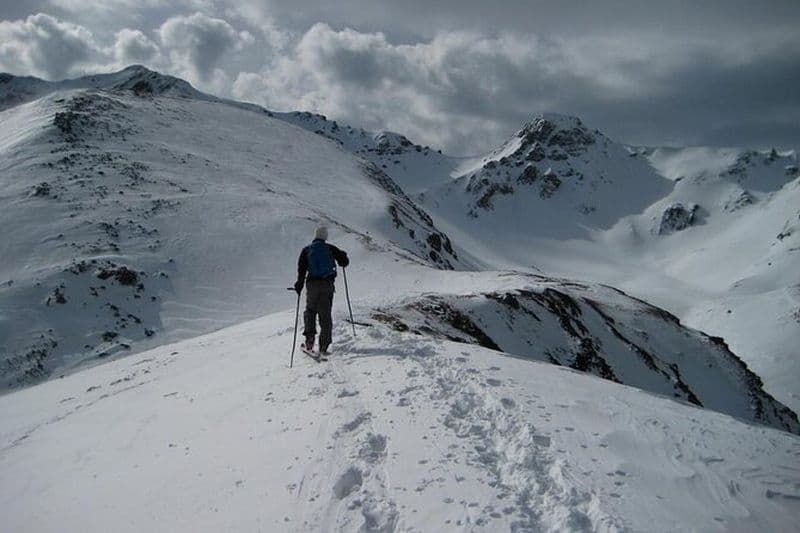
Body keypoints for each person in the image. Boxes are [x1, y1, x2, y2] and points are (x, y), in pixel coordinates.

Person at [294, 226, 349, 354]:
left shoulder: (307, 250)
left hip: (312, 285)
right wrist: (343, 256)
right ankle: (324, 345)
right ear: (325, 236)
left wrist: (299, 285)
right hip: (327, 285)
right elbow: (344, 262)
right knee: (325, 315)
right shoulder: (330, 248)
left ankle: (309, 339)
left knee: (310, 311)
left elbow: (301, 270)